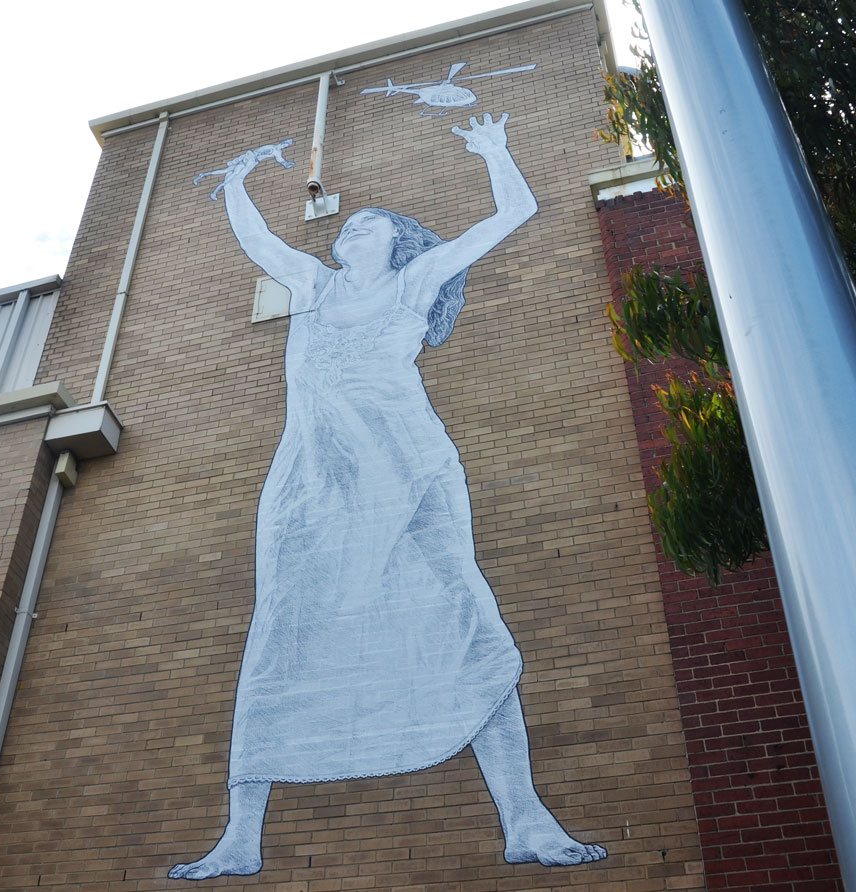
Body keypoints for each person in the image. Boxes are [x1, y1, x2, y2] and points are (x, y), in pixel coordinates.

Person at [170, 113, 606, 880]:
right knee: (282, 631)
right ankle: (241, 838)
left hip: (411, 472)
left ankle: (528, 819)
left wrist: (497, 149)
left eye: (372, 224)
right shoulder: (311, 283)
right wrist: (237, 180)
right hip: (314, 486)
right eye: (353, 224)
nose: (355, 229)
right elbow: (259, 244)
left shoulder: (417, 279)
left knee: (466, 619)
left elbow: (514, 214)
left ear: (397, 242)